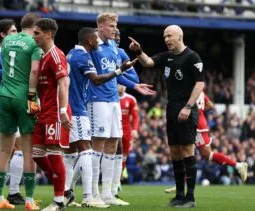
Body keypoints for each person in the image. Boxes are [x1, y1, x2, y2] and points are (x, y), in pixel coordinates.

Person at [129, 25, 205, 208]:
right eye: (164, 36)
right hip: (171, 107)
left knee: (187, 151)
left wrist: (188, 107)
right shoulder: (167, 57)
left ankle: (190, 197)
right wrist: (138, 51)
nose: (167, 39)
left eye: (170, 36)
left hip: (186, 108)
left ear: (180, 36)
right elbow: (148, 63)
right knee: (175, 152)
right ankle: (179, 196)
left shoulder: (192, 57)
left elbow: (200, 84)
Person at [63, 27, 137, 208]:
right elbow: (96, 79)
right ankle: (89, 196)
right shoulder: (83, 57)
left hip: (73, 106)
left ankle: (66, 193)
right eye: (96, 38)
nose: (99, 41)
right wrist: (119, 71)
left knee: (71, 153)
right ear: (90, 40)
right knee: (86, 150)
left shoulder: (72, 54)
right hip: (79, 108)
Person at [89, 12, 156, 206]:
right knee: (98, 144)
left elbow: (116, 75)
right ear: (100, 26)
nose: (115, 29)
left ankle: (108, 193)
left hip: (113, 100)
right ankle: (92, 193)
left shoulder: (112, 47)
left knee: (113, 143)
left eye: (116, 25)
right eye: (111, 25)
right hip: (97, 99)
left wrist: (135, 86)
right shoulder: (92, 46)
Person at [0, 13, 41, 210]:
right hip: (24, 98)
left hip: (4, 96)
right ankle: (29, 201)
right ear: (35, 26)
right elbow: (35, 71)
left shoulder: (7, 40)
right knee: (29, 150)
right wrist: (32, 96)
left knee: (4, 150)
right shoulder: (34, 44)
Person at [165, 92, 248, 193]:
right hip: (197, 122)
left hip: (195, 124)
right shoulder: (199, 91)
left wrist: (197, 111)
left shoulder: (188, 89)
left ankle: (239, 166)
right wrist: (200, 110)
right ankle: (180, 185)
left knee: (201, 154)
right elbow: (210, 105)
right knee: (186, 152)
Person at [0, 18, 26, 205]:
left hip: (8, 108)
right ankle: (12, 193)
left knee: (8, 151)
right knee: (17, 148)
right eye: (13, 31)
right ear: (3, 34)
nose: (16, 35)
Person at [29, 18, 70, 211]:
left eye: (37, 33)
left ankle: (59, 201)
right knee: (37, 155)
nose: (34, 36)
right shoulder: (44, 56)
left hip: (55, 112)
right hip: (43, 112)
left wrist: (63, 110)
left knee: (54, 155)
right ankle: (63, 188)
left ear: (48, 34)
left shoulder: (56, 55)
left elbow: (63, 83)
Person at [113, 84, 139, 198]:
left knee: (123, 157)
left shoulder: (131, 99)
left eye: (123, 85)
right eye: (119, 85)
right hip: (113, 129)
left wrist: (135, 129)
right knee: (111, 155)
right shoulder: (111, 97)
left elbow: (136, 116)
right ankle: (111, 180)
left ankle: (117, 180)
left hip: (126, 131)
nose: (121, 87)